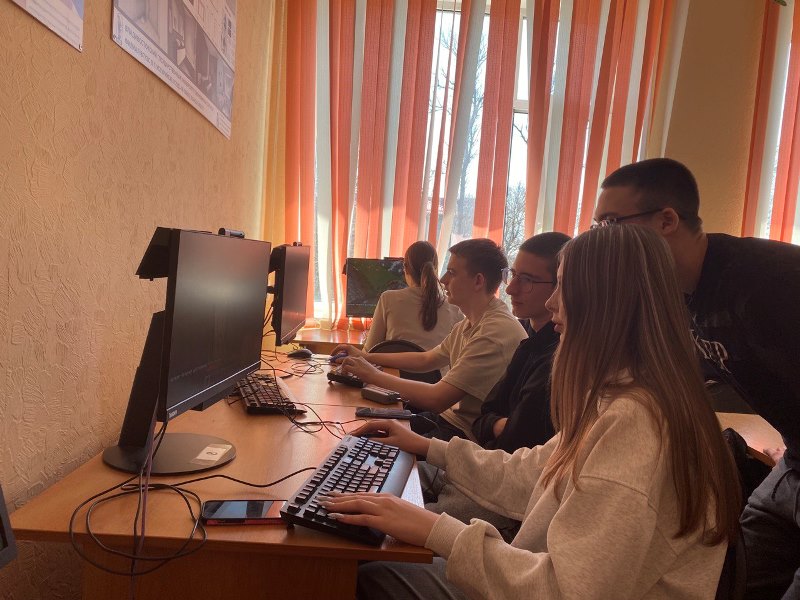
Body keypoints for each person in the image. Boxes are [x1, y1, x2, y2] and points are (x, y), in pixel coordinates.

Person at [322, 225, 741, 600]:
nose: (553, 303)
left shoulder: (635, 425)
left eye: (564, 287)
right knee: (372, 546)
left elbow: (567, 590)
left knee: (368, 571)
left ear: (605, 303)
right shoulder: (626, 398)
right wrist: (430, 449)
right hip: (538, 573)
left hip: (545, 586)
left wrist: (436, 530)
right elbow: (531, 473)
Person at [595, 158, 800, 600]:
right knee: (728, 580)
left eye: (610, 223)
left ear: (667, 220)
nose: (602, 239)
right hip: (793, 467)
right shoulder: (677, 294)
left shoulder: (769, 279)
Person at [419, 231, 570, 541]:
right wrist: (498, 423)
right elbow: (487, 414)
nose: (510, 288)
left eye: (527, 280)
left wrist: (499, 424)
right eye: (513, 275)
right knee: (378, 475)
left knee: (379, 538)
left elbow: (514, 440)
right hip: (482, 464)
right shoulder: (529, 343)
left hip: (498, 485)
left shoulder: (556, 361)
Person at [332, 238, 527, 441]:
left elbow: (436, 399)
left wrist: (372, 375)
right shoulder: (470, 323)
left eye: (452, 272)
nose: (442, 279)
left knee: (372, 447)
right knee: (360, 430)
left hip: (465, 436)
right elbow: (427, 359)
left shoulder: (493, 333)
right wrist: (366, 357)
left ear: (478, 281)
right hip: (449, 419)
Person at [363, 241, 463, 352]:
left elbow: (369, 350)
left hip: (395, 363)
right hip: (437, 364)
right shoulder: (454, 308)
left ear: (405, 269)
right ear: (435, 269)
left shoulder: (388, 299)